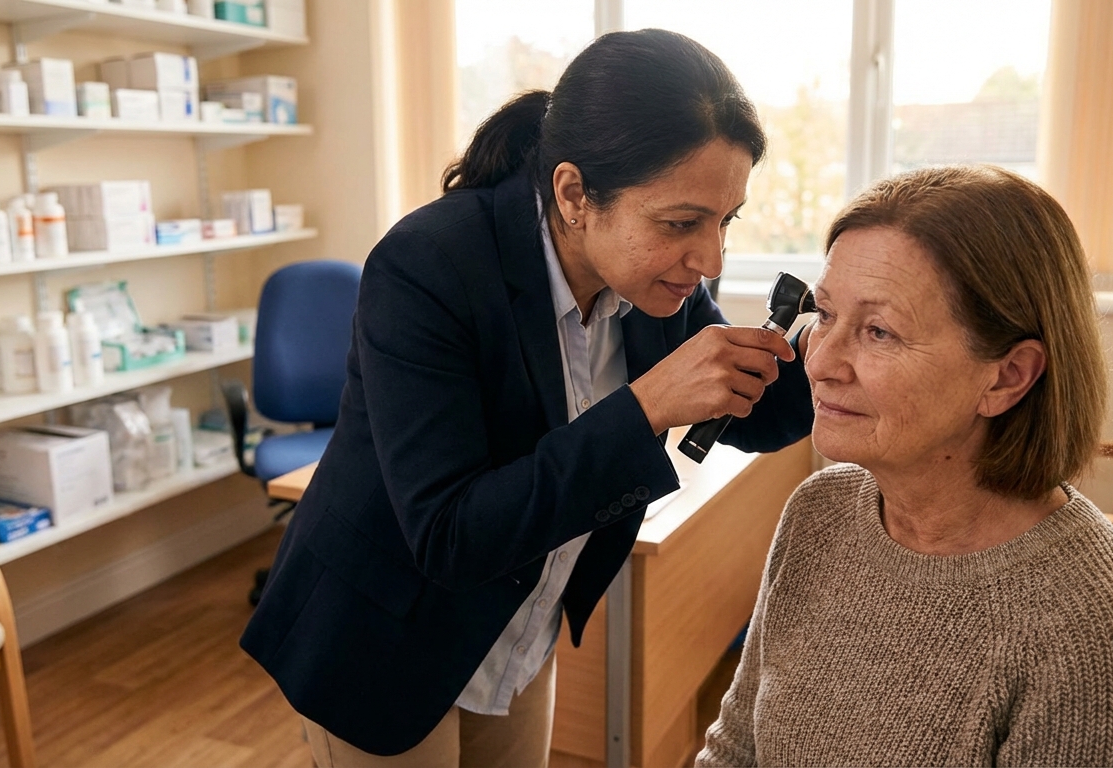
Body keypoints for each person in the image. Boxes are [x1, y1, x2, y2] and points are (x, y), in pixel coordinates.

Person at [239, 29, 815, 767]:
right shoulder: (428, 268)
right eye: (680, 223)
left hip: (514, 624)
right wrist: (643, 409)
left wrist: (827, 346)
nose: (709, 259)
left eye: (724, 221)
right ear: (575, 194)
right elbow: (450, 535)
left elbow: (754, 411)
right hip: (384, 636)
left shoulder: (654, 282)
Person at [697, 165, 1113, 767]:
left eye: (880, 332)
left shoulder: (1096, 634)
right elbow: (735, 751)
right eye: (825, 315)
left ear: (1008, 376)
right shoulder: (820, 511)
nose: (820, 361)